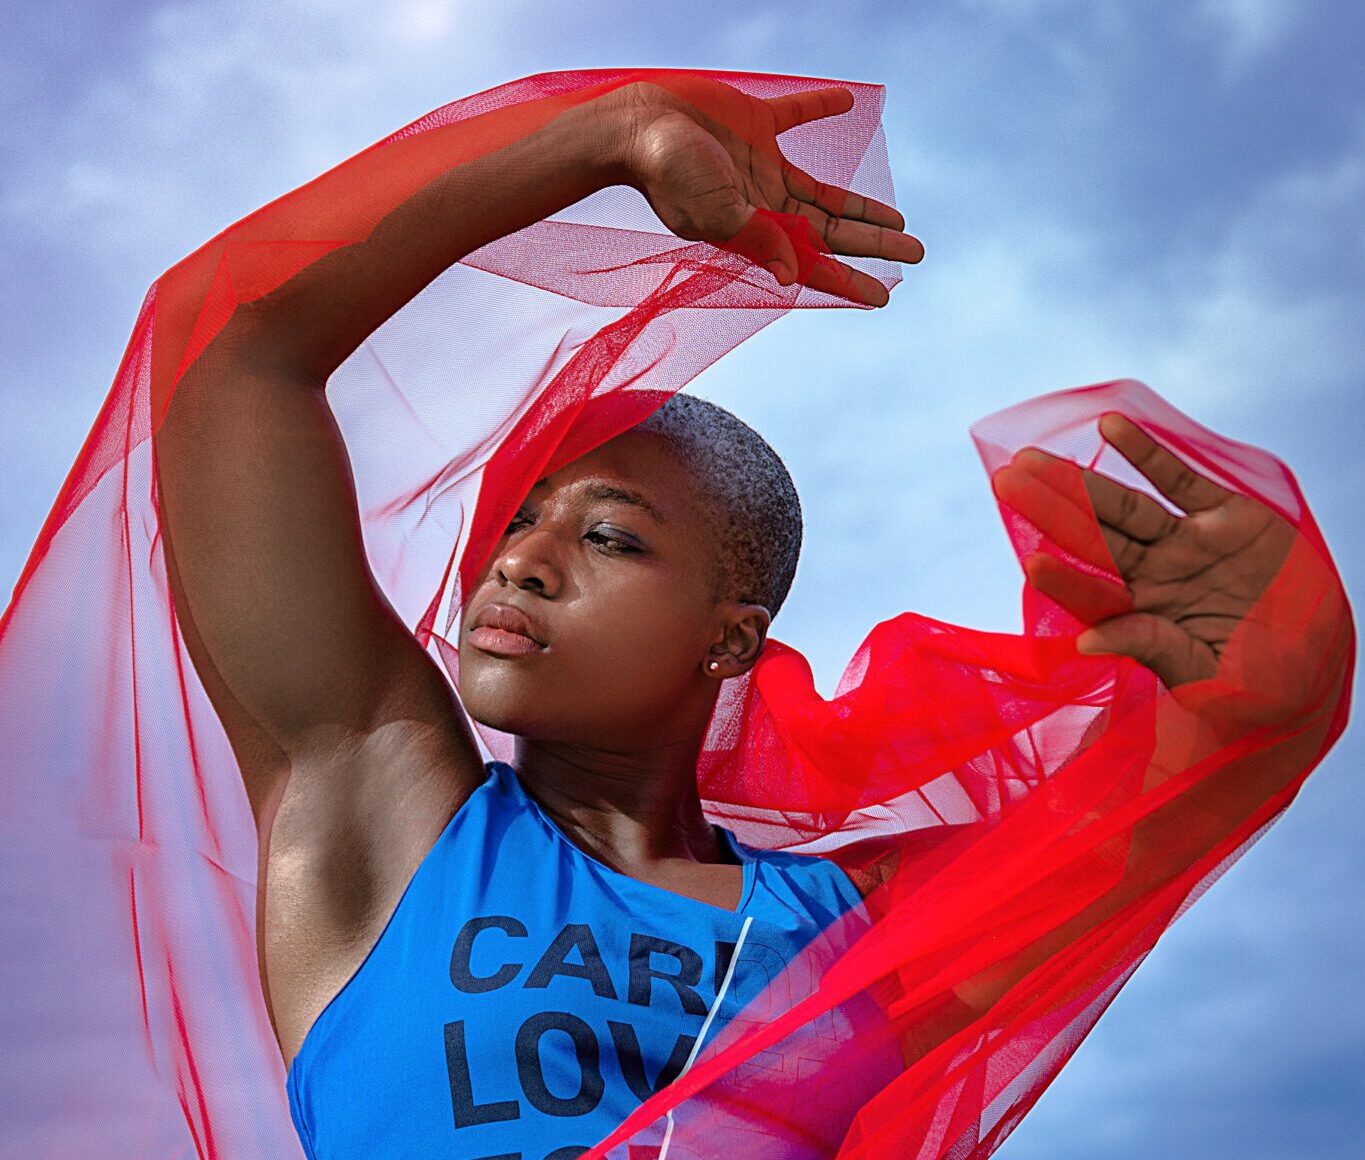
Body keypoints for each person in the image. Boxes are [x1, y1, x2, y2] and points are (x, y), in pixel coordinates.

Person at [74, 69, 1350, 1159]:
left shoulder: (857, 931)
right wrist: (606, 133)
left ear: (731, 638)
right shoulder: (381, 801)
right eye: (518, 520)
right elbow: (223, 345)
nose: (520, 562)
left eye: (610, 535)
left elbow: (1153, 816)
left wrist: (1269, 684)